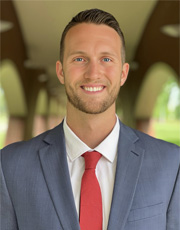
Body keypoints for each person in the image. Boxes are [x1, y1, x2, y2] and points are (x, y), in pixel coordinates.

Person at [0, 8, 179, 230]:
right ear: (61, 71)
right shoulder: (10, 166)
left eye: (106, 58)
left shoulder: (171, 164)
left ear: (123, 73)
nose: (93, 73)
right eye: (79, 58)